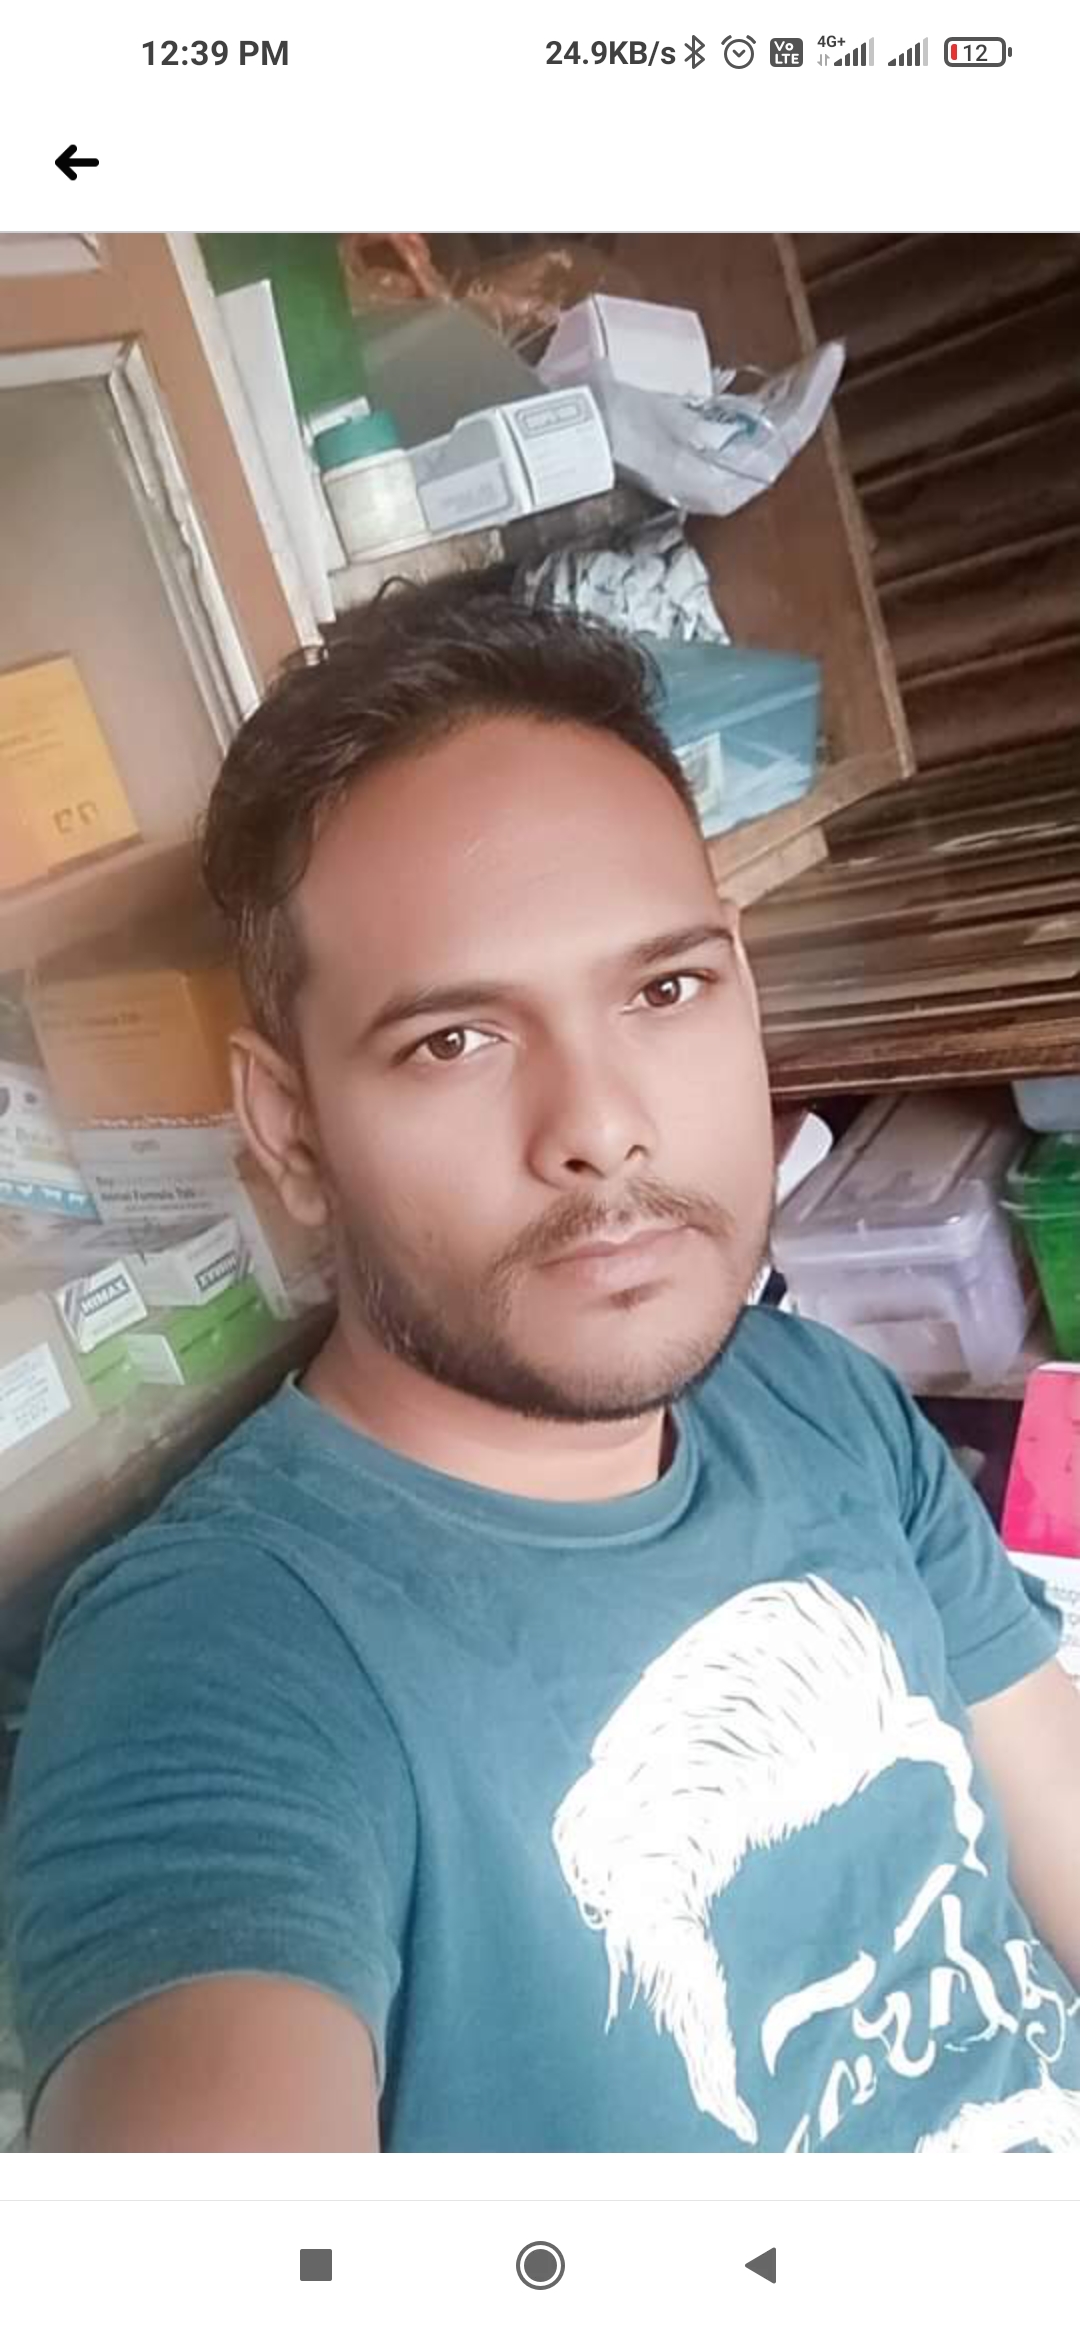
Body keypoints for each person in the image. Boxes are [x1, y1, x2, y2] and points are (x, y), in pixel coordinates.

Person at [5, 573, 1080, 2154]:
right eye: (455, 1039)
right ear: (289, 1128)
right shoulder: (222, 1663)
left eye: (664, 989)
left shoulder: (819, 1402)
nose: (602, 1126)